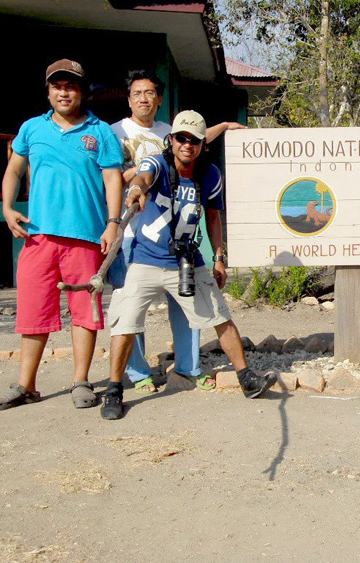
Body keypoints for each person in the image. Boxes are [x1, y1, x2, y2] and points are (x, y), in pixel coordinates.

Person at [102, 110, 274, 419]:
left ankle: (247, 379)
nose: (187, 145)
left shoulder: (209, 175)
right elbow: (143, 176)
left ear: (202, 144)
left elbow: (212, 218)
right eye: (181, 138)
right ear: (171, 140)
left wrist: (219, 258)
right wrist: (138, 189)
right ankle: (114, 390)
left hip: (186, 258)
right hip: (146, 258)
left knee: (220, 315)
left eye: (194, 140)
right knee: (125, 322)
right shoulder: (158, 162)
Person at [0, 59, 123, 411]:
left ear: (82, 91)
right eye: (57, 86)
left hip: (86, 235)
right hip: (39, 235)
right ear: (48, 91)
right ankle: (26, 385)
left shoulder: (101, 131)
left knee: (85, 310)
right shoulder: (32, 129)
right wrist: (6, 207)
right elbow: (14, 169)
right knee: (33, 310)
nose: (64, 92)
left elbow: (113, 178)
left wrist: (112, 222)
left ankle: (81, 381)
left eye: (71, 86)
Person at [109, 69, 246, 393]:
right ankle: (137, 374)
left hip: (178, 240)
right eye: (137, 93)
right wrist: (136, 186)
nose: (144, 98)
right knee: (131, 314)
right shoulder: (114, 132)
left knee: (187, 307)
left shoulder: (173, 132)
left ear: (159, 98)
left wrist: (225, 126)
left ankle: (188, 367)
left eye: (150, 93)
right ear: (129, 99)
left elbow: (197, 135)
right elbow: (113, 175)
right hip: (133, 234)